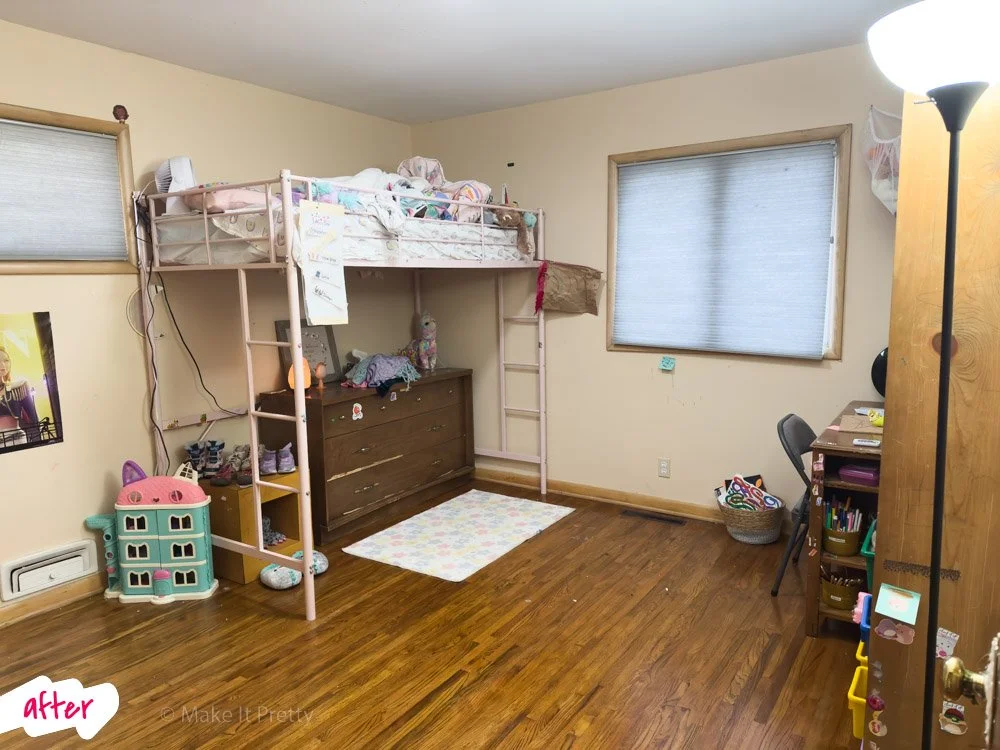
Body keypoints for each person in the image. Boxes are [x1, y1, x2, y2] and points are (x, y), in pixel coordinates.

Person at [0, 345, 40, 447]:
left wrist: (35, 446)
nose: (3, 365)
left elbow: (34, 420)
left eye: (6, 360)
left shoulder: (19, 386)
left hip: (17, 440)